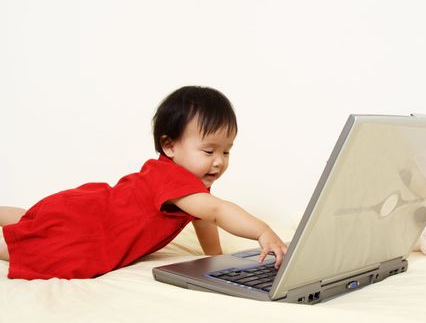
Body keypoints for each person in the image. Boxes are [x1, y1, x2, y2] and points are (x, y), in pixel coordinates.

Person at [0, 86, 287, 279]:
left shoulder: (188, 183)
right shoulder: (172, 178)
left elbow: (204, 218)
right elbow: (215, 211)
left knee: (34, 221)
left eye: (227, 151)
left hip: (87, 207)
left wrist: (215, 258)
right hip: (90, 227)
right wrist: (262, 232)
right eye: (209, 151)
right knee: (33, 250)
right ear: (169, 146)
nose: (219, 161)